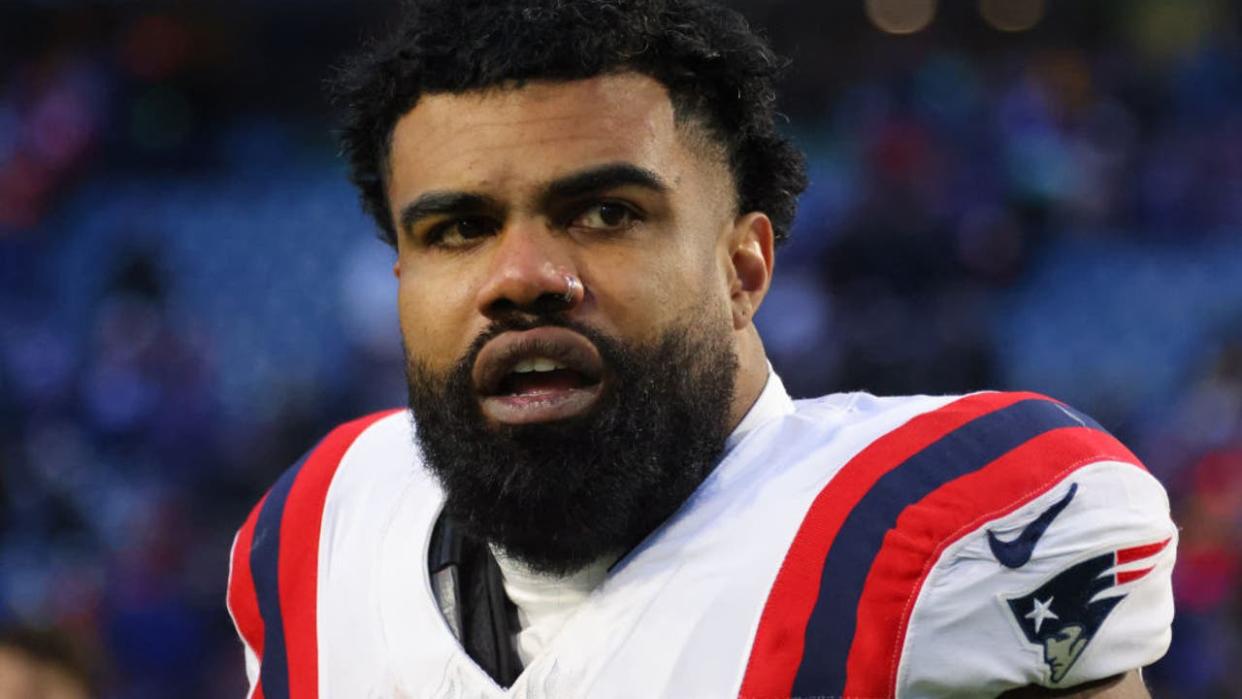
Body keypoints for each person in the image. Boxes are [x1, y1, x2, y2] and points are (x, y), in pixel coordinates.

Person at [225, 1, 1176, 696]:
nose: (521, 274)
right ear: (399, 282)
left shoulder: (923, 537)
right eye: (458, 229)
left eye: (604, 212)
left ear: (744, 268)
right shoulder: (322, 532)